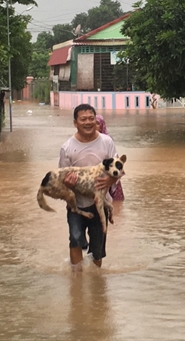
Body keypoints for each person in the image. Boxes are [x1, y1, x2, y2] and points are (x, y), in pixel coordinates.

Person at [60, 104, 121, 268]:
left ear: (96, 121)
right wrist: (67, 184)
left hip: (100, 203)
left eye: (91, 119)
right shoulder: (67, 148)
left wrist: (110, 181)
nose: (88, 122)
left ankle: (96, 280)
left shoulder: (107, 142)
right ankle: (76, 278)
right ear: (75, 123)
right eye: (83, 119)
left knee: (98, 247)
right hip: (76, 204)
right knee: (75, 239)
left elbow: (119, 169)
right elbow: (62, 178)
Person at [95, 114, 124, 201]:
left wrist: (110, 179)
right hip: (96, 177)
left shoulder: (107, 140)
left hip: (109, 178)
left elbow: (117, 162)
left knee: (113, 205)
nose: (94, 126)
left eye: (97, 123)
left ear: (102, 126)